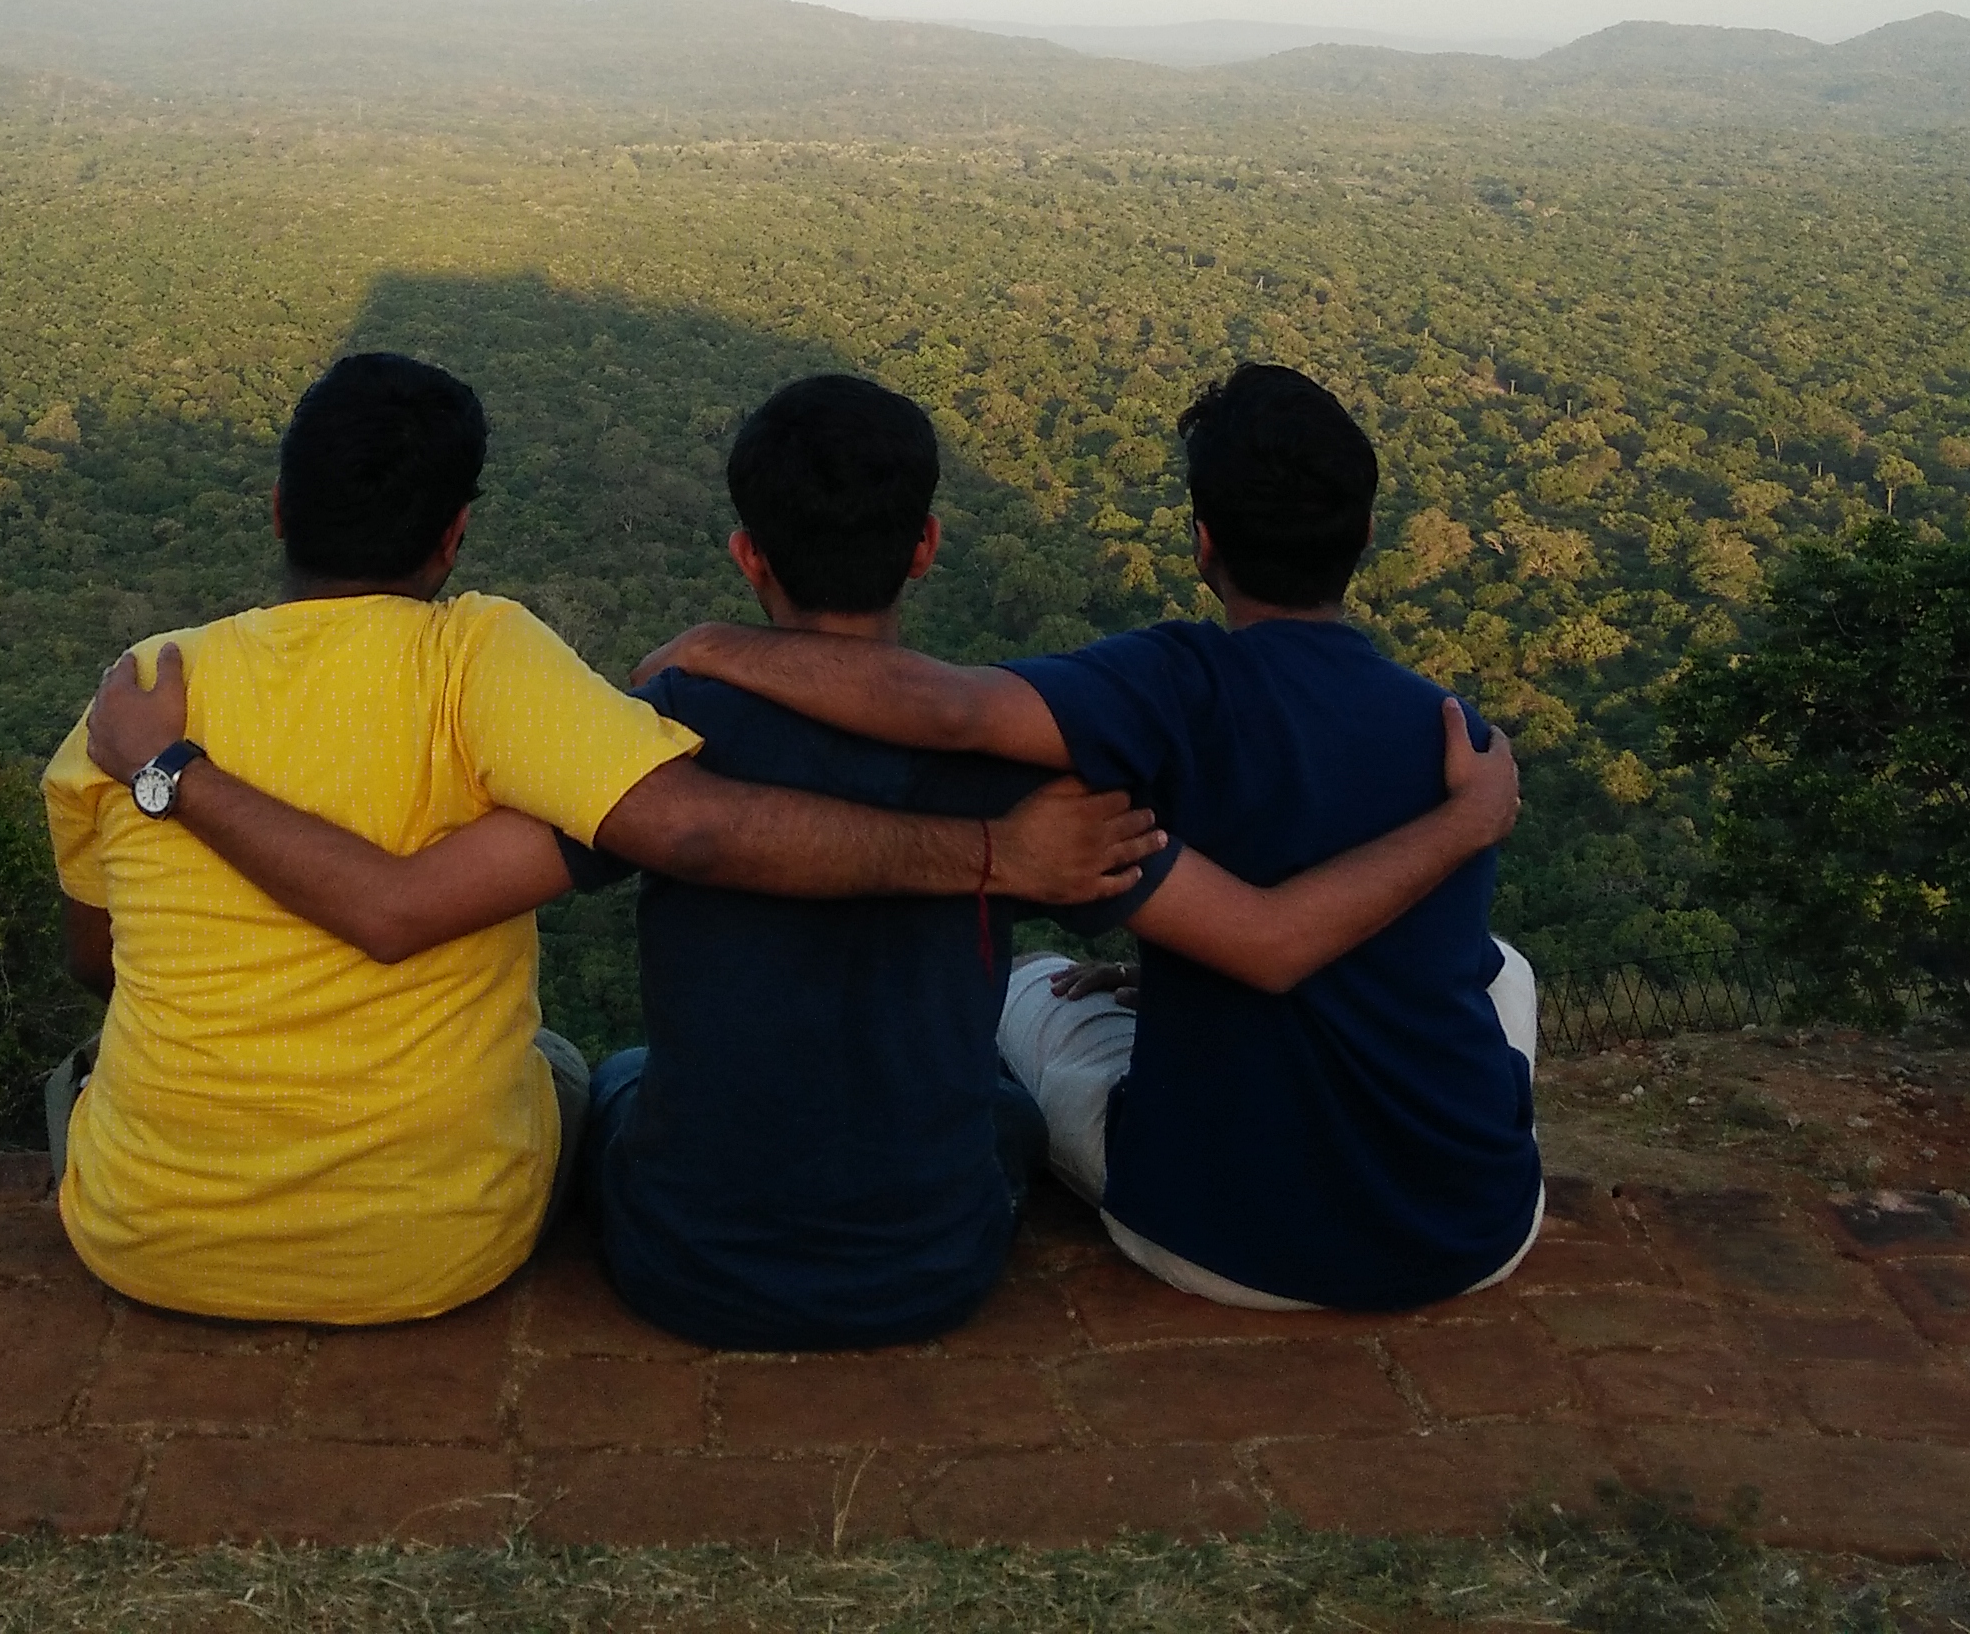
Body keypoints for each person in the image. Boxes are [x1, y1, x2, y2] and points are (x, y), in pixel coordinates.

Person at [93, 371, 1516, 1349]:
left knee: (617, 1077)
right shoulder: (1045, 763)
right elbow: (1215, 907)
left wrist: (174, 775)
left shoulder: (655, 740)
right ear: (930, 545)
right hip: (945, 1263)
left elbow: (470, 886)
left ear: (741, 553)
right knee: (1012, 1051)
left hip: (684, 1269)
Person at [45, 350, 1162, 1327]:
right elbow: (682, 832)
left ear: (279, 509)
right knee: (600, 1066)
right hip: (469, 1246)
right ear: (455, 533)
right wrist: (992, 857)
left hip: (145, 1237)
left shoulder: (134, 696)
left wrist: (167, 773)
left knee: (611, 1071)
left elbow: (100, 964)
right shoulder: (485, 663)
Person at [634, 361, 1542, 1313]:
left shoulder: (1164, 693)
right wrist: (1467, 821)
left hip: (1219, 1236)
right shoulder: (1457, 736)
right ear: (1364, 533)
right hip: (1478, 1230)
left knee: (1035, 988)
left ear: (1203, 545)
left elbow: (943, 709)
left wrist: (712, 644)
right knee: (1502, 970)